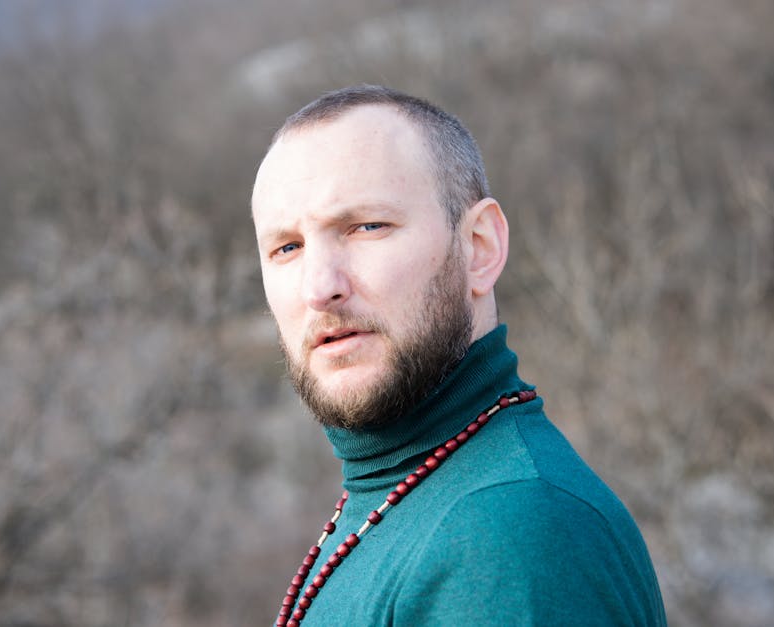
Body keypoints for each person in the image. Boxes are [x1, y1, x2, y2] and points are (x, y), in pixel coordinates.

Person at [251, 85, 666, 626]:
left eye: (366, 227)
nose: (319, 287)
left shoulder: (507, 533)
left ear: (479, 248)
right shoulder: (405, 498)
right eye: (287, 247)